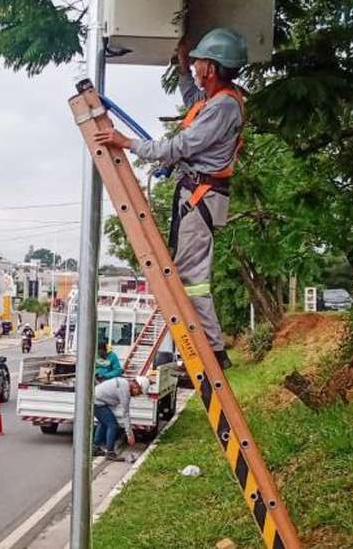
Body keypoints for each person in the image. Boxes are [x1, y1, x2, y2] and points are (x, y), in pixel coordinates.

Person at [93, 28, 248, 371]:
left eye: (198, 64)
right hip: (197, 196)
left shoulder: (222, 107)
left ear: (212, 66)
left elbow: (179, 146)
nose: (195, 68)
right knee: (186, 275)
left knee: (192, 279)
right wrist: (180, 68)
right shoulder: (218, 100)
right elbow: (194, 103)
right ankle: (209, 349)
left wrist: (127, 142)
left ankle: (212, 352)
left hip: (200, 197)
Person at [92, 375, 149, 461]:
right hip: (97, 402)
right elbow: (125, 414)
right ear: (136, 385)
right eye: (139, 392)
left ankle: (94, 448)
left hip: (95, 399)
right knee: (113, 425)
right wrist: (129, 434)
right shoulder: (125, 390)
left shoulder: (124, 383)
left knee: (104, 423)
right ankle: (110, 452)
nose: (137, 395)